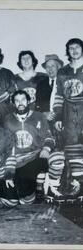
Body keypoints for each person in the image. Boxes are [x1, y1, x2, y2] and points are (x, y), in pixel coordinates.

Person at [4, 90, 55, 204]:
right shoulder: (8, 119)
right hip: (17, 160)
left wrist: (46, 149)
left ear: (28, 101)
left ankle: (39, 187)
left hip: (34, 156)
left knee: (26, 181)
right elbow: (5, 142)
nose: (20, 103)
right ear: (13, 103)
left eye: (22, 100)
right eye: (17, 101)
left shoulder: (39, 116)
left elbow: (48, 137)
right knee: (20, 196)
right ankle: (32, 191)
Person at [53, 38, 83, 202]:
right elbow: (58, 96)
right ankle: (79, 185)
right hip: (69, 115)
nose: (74, 51)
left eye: (77, 47)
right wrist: (58, 116)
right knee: (73, 150)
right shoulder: (63, 72)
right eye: (71, 48)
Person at [35, 54, 65, 202]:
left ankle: (56, 187)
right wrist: (43, 114)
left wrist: (60, 117)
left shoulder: (64, 82)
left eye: (53, 66)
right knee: (43, 153)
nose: (51, 69)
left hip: (62, 126)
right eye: (48, 66)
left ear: (59, 67)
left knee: (59, 156)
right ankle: (41, 188)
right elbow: (36, 107)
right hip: (45, 125)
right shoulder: (41, 85)